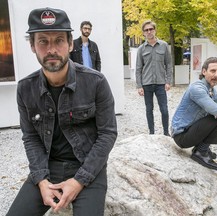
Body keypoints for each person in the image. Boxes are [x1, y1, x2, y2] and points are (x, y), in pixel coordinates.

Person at [7, 7, 117, 216]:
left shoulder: (96, 82)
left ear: (69, 44)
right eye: (43, 41)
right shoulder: (25, 88)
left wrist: (78, 181)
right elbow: (30, 137)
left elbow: (107, 133)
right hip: (48, 168)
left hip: (88, 167)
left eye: (58, 40)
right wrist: (41, 181)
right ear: (32, 46)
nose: (51, 49)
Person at [135, 20, 172, 136]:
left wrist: (168, 81)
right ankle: (151, 133)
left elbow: (169, 65)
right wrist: (139, 86)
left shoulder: (164, 45)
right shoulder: (141, 49)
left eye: (151, 29)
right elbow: (138, 68)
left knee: (164, 110)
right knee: (149, 109)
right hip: (147, 84)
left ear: (155, 30)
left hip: (161, 83)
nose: (149, 31)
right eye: (146, 30)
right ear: (143, 33)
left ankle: (166, 133)